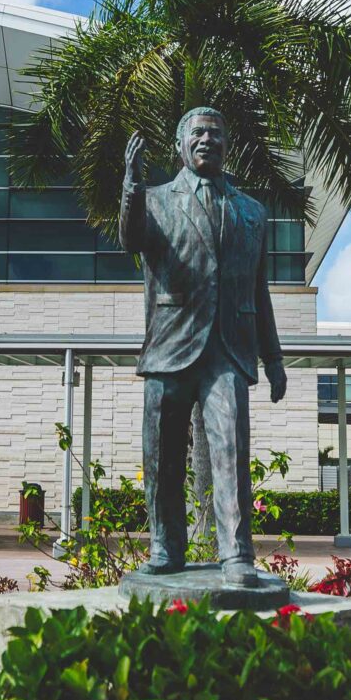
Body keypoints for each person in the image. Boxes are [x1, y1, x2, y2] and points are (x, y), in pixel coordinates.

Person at [119, 106, 291, 598]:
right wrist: (131, 184)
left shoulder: (251, 212)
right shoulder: (154, 201)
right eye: (197, 133)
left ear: (227, 145)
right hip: (171, 345)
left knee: (232, 452)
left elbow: (258, 292)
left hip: (229, 351)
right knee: (162, 455)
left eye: (216, 133)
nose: (207, 140)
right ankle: (165, 548)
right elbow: (131, 239)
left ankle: (237, 554)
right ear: (180, 144)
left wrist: (273, 358)